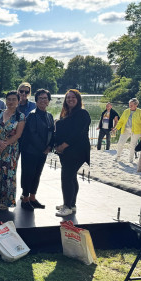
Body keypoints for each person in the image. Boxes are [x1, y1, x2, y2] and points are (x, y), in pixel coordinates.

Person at [55, 89, 91, 217]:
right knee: (71, 177)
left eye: (73, 97)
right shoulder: (67, 114)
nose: (70, 99)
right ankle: (71, 204)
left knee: (66, 177)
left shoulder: (82, 113)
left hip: (77, 151)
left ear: (78, 99)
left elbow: (77, 133)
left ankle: (67, 206)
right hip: (67, 151)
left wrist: (63, 146)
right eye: (68, 97)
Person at [0, 91, 25, 210]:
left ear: (18, 101)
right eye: (9, 99)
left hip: (11, 150)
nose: (11, 102)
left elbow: (18, 134)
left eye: (14, 99)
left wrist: (5, 144)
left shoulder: (20, 116)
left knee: (8, 175)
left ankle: (6, 201)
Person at [20, 89, 54, 211]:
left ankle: (33, 198)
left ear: (49, 101)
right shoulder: (32, 115)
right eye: (40, 98)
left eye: (45, 98)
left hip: (43, 152)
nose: (43, 101)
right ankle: (25, 198)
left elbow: (52, 133)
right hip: (30, 151)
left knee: (37, 174)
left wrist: (50, 146)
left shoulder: (49, 116)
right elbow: (32, 134)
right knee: (28, 174)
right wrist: (43, 148)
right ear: (36, 101)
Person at [113, 98, 141, 162]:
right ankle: (118, 157)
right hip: (126, 130)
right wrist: (116, 128)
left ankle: (131, 159)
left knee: (132, 145)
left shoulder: (140, 112)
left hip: (136, 131)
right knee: (120, 143)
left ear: (136, 105)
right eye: (129, 104)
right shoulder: (126, 111)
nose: (130, 106)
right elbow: (121, 121)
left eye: (131, 105)